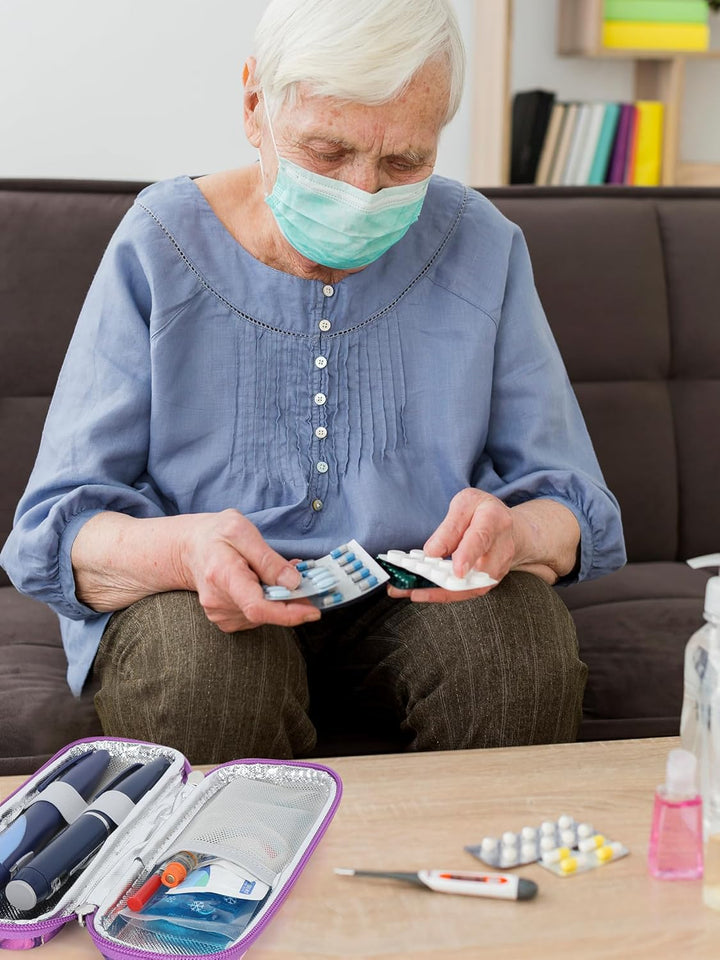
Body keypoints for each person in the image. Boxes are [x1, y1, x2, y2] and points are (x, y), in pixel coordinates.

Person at [0, 0, 625, 764]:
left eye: (404, 164)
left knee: (512, 647)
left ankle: (469, 875)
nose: (364, 193)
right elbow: (59, 525)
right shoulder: (159, 242)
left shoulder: (480, 244)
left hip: (413, 602)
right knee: (202, 675)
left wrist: (518, 532)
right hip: (198, 607)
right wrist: (188, 551)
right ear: (256, 105)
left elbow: (568, 499)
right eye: (328, 152)